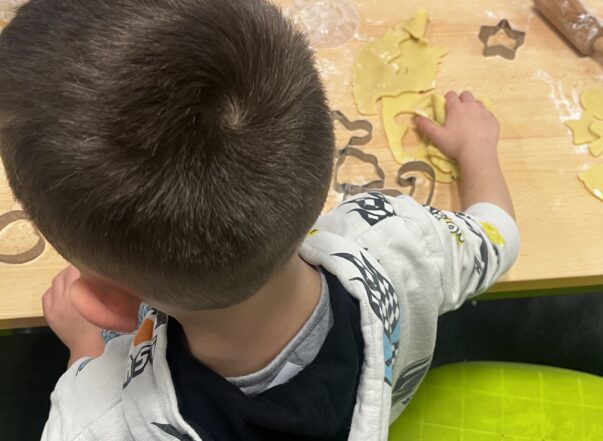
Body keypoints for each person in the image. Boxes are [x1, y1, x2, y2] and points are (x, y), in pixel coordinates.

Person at [0, 0, 519, 440]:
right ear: (322, 163)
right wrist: (478, 150)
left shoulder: (95, 418)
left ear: (105, 305)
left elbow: (93, 395)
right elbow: (498, 235)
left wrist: (85, 348)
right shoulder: (399, 239)